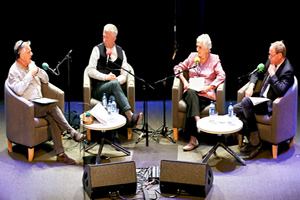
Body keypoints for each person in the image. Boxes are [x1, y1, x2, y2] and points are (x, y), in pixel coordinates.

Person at [8, 40, 85, 165]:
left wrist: (38, 71)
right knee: (53, 106)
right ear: (21, 55)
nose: (31, 54)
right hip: (27, 106)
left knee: (52, 117)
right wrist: (29, 75)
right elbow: (18, 90)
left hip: (40, 103)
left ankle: (60, 154)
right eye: (28, 52)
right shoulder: (14, 71)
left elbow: (46, 80)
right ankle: (71, 131)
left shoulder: (31, 64)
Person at [233, 41, 294, 158]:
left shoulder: (288, 70)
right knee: (236, 109)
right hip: (261, 98)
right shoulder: (270, 61)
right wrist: (251, 86)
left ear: (279, 55)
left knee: (246, 102)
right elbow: (257, 74)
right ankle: (253, 138)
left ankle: (255, 143)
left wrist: (272, 75)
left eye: (271, 55)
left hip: (272, 104)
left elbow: (281, 91)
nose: (269, 57)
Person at [86, 24, 142, 144]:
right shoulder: (97, 49)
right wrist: (106, 77)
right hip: (99, 88)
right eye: (103, 36)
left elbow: (125, 73)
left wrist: (117, 80)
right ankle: (130, 116)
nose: (104, 39)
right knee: (114, 85)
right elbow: (90, 70)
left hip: (112, 90)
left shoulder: (121, 52)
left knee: (112, 98)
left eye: (107, 37)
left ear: (114, 38)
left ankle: (113, 136)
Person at [173, 34, 226, 151]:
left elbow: (222, 75)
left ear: (207, 49)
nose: (197, 49)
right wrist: (184, 81)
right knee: (191, 93)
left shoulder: (214, 59)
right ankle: (198, 121)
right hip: (191, 91)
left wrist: (208, 88)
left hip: (205, 94)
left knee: (193, 103)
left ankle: (193, 138)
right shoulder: (193, 57)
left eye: (200, 47)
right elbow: (178, 68)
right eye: (197, 46)